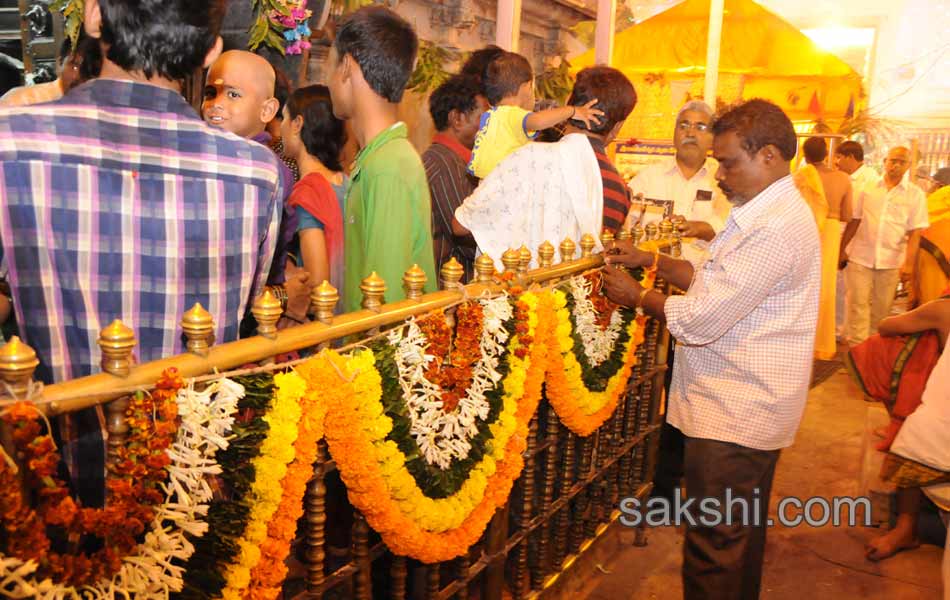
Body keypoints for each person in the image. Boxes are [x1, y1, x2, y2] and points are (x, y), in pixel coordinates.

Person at [0, 0, 284, 507]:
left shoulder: (12, 145)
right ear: (210, 53)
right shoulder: (254, 172)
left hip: (55, 490)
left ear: (92, 17)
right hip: (190, 481)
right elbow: (249, 303)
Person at [602, 99, 821, 600]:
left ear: (767, 155)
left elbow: (702, 317)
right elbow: (715, 279)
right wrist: (652, 259)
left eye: (728, 162)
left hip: (736, 412)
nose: (719, 173)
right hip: (741, 406)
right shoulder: (761, 212)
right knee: (735, 540)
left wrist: (637, 295)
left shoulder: (773, 227)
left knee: (713, 548)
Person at [454, 66, 637, 264]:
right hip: (575, 293)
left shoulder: (527, 158)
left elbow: (461, 225)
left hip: (518, 291)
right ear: (617, 127)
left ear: (568, 106)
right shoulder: (619, 191)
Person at [326, 6, 437, 312]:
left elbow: (382, 307)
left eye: (331, 66)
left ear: (347, 67)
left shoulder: (388, 166)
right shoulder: (379, 159)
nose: (329, 80)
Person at [202, 49, 308, 321]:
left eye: (233, 94)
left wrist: (281, 294)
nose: (217, 103)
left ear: (267, 110)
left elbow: (268, 264)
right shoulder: (199, 157)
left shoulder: (272, 172)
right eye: (210, 93)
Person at [862, 292, 950, 570]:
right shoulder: (944, 310)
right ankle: (906, 529)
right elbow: (887, 327)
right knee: (915, 434)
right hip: (941, 414)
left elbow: (885, 326)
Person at [466, 51, 603, 179]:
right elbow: (538, 121)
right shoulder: (511, 114)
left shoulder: (492, 115)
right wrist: (572, 111)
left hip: (487, 180)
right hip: (503, 180)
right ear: (527, 87)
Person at [624, 100, 730, 263]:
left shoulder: (723, 178)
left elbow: (729, 226)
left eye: (700, 127)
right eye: (683, 126)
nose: (690, 133)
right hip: (650, 274)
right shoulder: (649, 177)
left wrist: (695, 228)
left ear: (713, 138)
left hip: (703, 279)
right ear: (673, 133)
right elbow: (626, 225)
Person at [842, 146, 929, 346]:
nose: (896, 166)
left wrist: (908, 264)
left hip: (891, 260)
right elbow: (854, 220)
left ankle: (872, 352)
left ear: (908, 166)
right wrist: (842, 249)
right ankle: (857, 351)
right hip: (860, 256)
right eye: (892, 161)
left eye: (901, 162)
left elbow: (915, 232)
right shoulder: (868, 188)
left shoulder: (915, 195)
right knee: (858, 305)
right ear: (885, 162)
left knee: (882, 309)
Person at [280, 85, 347, 312]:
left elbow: (318, 283)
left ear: (297, 124)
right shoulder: (346, 181)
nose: (280, 127)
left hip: (326, 325)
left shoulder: (308, 192)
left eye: (284, 118)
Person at [423, 75, 485, 282]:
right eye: (484, 120)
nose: (489, 129)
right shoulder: (444, 164)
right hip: (450, 289)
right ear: (457, 119)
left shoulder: (449, 160)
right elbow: (465, 236)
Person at [800, 137, 853, 359]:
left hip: (804, 230)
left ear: (804, 155)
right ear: (827, 154)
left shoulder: (799, 178)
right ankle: (821, 344)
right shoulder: (843, 179)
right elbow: (848, 215)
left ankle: (800, 339)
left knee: (802, 285)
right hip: (830, 231)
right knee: (826, 286)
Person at [0, 30, 101, 106]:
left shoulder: (102, 108)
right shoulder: (20, 100)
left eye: (91, 70)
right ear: (59, 63)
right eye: (74, 65)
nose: (80, 75)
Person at [916, 167, 950, 305]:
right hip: (936, 258)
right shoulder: (940, 199)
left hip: (932, 259)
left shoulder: (938, 198)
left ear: (938, 185)